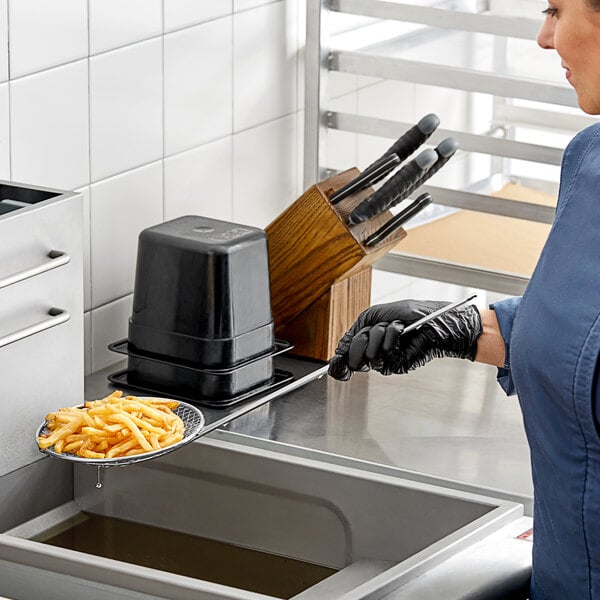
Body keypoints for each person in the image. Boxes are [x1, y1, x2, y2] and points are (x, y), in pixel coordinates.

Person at [328, 2, 600, 599]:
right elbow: (583, 337)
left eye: (557, 9)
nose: (544, 36)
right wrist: (463, 328)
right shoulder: (591, 159)